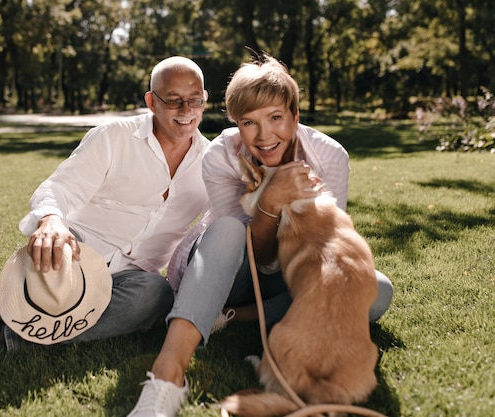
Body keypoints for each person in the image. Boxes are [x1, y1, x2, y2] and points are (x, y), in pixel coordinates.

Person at [126, 52, 394, 417]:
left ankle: (234, 316)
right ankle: (167, 376)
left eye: (276, 118)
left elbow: (326, 251)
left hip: (289, 277)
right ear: (236, 124)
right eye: (249, 123)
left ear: (295, 116)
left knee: (376, 290)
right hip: (228, 267)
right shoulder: (221, 155)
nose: (265, 136)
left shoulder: (330, 156)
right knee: (228, 227)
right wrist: (269, 203)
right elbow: (257, 257)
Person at [0, 56, 211, 368]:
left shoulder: (211, 163)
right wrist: (51, 220)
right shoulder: (113, 137)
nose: (186, 110)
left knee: (156, 295)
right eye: (173, 101)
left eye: (195, 100)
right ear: (151, 101)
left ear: (205, 100)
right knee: (59, 250)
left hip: (130, 280)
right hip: (77, 252)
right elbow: (59, 187)